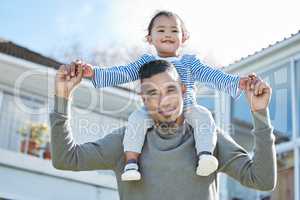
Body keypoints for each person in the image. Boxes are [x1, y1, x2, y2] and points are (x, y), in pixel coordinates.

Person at [64, 10, 255, 181]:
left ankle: (205, 154)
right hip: (153, 110)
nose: (168, 35)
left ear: (184, 37)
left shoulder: (189, 62)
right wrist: (94, 73)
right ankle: (131, 162)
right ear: (150, 38)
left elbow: (212, 75)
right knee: (136, 119)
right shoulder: (146, 61)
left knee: (204, 116)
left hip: (186, 109)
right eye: (161, 30)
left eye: (174, 30)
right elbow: (122, 72)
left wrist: (238, 82)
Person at [51, 60, 276, 200]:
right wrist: (62, 96)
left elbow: (263, 181)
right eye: (152, 93)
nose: (164, 100)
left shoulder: (207, 137)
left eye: (170, 89)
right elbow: (65, 159)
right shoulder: (126, 141)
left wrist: (259, 113)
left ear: (182, 90)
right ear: (143, 99)